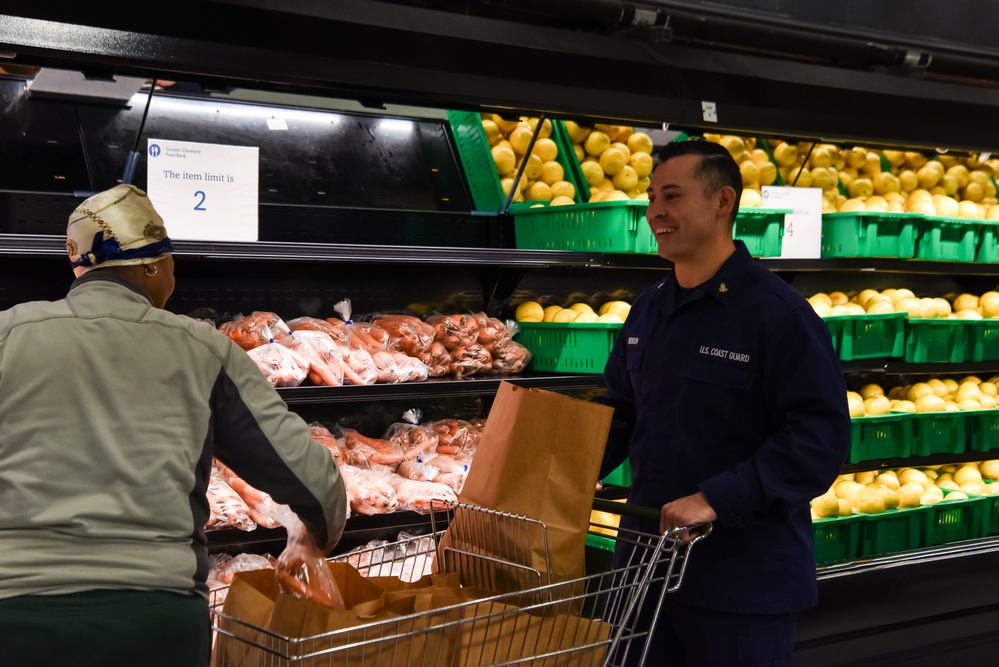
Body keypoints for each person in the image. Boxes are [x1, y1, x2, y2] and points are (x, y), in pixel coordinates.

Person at [0, 184, 348, 667]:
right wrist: (312, 536)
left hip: (17, 621)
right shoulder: (200, 348)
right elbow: (315, 480)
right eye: (171, 262)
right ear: (152, 266)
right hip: (152, 624)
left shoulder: (9, 333)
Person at [597, 140, 850, 666]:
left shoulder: (778, 316)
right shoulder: (647, 311)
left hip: (740, 586)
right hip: (644, 577)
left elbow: (817, 439)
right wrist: (557, 465)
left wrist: (715, 497)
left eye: (672, 196)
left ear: (722, 202)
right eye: (650, 198)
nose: (655, 213)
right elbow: (620, 411)